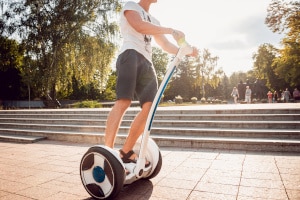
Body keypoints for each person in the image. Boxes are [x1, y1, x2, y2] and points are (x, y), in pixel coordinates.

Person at [104, 0, 197, 168]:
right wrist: (171, 30)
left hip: (147, 62)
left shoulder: (155, 21)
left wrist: (185, 51)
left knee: (150, 107)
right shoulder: (131, 6)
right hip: (130, 54)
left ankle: (126, 151)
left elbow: (165, 44)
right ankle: (107, 153)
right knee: (123, 102)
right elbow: (139, 26)